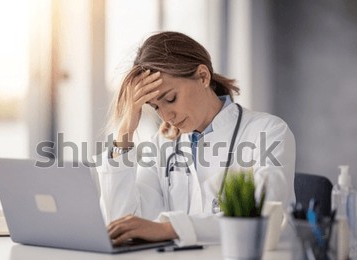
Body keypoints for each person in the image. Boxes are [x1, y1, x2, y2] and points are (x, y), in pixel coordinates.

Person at [96, 31, 295, 247]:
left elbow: (260, 217)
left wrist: (170, 228)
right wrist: (124, 132)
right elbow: (123, 224)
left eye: (170, 99)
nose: (166, 116)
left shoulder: (268, 132)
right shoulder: (162, 144)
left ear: (203, 76)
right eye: (155, 107)